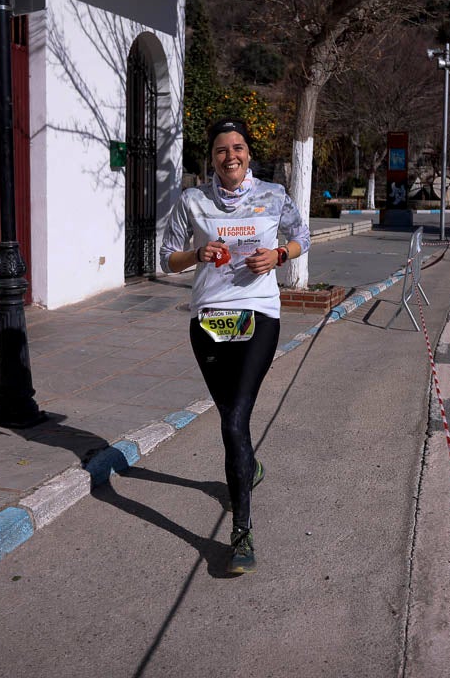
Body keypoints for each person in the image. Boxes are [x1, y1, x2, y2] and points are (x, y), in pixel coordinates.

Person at [159, 117, 311, 575]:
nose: (231, 156)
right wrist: (196, 255)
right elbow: (167, 258)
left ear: (249, 153)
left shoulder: (274, 196)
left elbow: (301, 236)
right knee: (232, 421)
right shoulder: (192, 201)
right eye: (222, 149)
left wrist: (281, 255)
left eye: (239, 147)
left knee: (236, 417)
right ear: (212, 158)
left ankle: (240, 532)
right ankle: (250, 469)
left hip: (258, 315)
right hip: (208, 319)